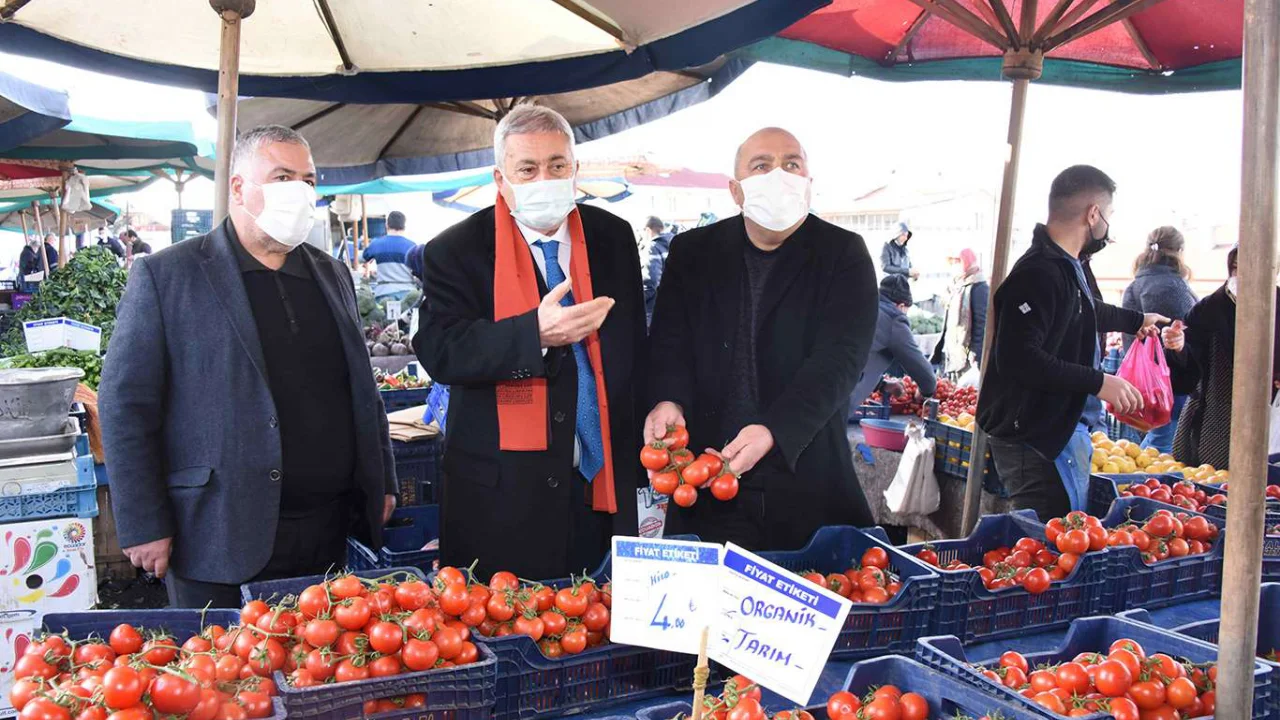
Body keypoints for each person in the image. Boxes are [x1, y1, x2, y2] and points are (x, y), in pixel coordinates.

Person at [99, 125, 398, 608]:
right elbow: (125, 404)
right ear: (238, 187)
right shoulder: (168, 275)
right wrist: (143, 522)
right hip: (217, 535)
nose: (300, 192)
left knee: (318, 676)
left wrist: (380, 479)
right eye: (283, 177)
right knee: (221, 678)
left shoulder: (332, 272)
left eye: (308, 180)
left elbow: (365, 392)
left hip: (328, 532)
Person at [413, 105, 645, 580]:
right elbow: (441, 350)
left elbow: (633, 345)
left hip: (602, 484)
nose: (545, 178)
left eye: (558, 166)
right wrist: (531, 335)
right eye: (528, 169)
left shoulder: (613, 237)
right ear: (502, 179)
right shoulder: (454, 250)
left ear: (575, 170)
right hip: (502, 496)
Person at [646, 127, 878, 549]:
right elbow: (668, 343)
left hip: (804, 483)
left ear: (808, 182)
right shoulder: (693, 252)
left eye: (792, 164)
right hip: (706, 481)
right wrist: (668, 399)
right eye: (761, 165)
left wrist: (774, 428)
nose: (779, 175)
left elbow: (840, 361)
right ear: (736, 191)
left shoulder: (843, 254)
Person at [977, 165, 1167, 521]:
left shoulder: (1065, 266)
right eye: (1108, 215)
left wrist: (1136, 321)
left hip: (1052, 433)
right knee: (1045, 551)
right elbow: (1019, 359)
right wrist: (1099, 382)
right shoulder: (1037, 273)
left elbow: (1082, 309)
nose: (1107, 226)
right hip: (1033, 437)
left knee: (1059, 543)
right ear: (1092, 214)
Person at [1163, 247, 1280, 469]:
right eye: (1236, 267)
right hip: (1217, 417)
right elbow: (1189, 356)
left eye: (1252, 267)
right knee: (1213, 482)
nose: (1242, 274)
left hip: (1270, 416)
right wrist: (1178, 345)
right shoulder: (1210, 307)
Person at [1121, 226, 1197, 454]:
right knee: (1161, 452)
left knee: (1149, 448)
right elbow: (1189, 337)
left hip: (1142, 385)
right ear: (1180, 251)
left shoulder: (1136, 285)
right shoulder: (1174, 287)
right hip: (1170, 387)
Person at [849, 275, 937, 415]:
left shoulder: (863, 306)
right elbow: (923, 371)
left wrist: (881, 384)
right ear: (901, 306)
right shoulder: (893, 318)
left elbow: (860, 356)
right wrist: (926, 390)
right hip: (839, 394)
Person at [932, 248, 989, 376]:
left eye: (957, 262)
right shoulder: (956, 286)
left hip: (965, 353)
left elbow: (981, 323)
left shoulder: (979, 287)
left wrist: (975, 352)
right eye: (952, 263)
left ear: (966, 262)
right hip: (950, 348)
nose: (954, 267)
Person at [361, 211, 417, 302]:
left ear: (387, 225)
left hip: (383, 293)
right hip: (408, 294)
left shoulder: (376, 244)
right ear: (404, 226)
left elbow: (364, 257)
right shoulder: (412, 246)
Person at [640, 215, 673, 326]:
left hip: (653, 308)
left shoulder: (652, 247)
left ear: (648, 230)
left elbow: (650, 281)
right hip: (671, 306)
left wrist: (636, 302)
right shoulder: (675, 244)